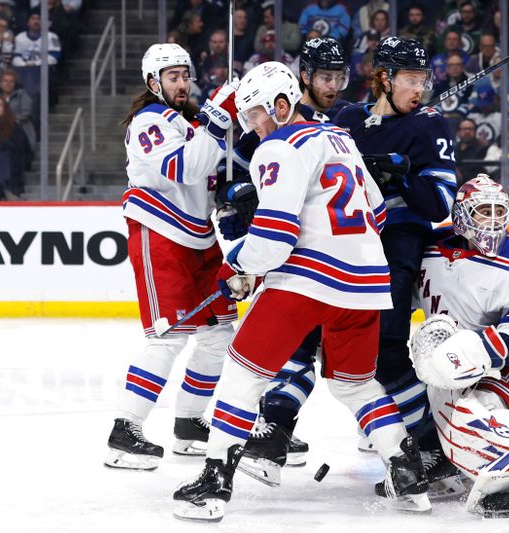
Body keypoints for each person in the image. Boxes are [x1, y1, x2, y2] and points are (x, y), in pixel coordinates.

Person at [172, 61, 431, 521]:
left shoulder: (278, 146)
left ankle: (214, 481)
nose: (251, 124)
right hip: (368, 282)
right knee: (354, 385)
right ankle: (406, 471)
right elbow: (376, 210)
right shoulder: (340, 139)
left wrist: (237, 260)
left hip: (308, 279)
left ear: (281, 104)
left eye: (254, 114)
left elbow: (273, 238)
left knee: (242, 373)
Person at [103, 43, 242, 471]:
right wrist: (218, 120)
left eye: (185, 75)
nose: (182, 84)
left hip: (200, 239)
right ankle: (124, 431)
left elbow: (215, 173)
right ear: (153, 82)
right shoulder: (149, 120)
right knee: (167, 337)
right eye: (173, 77)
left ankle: (188, 424)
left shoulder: (191, 121)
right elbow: (185, 168)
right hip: (159, 233)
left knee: (220, 333)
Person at [334, 37, 461, 499]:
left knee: (386, 350)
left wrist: (401, 175)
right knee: (338, 351)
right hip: (343, 246)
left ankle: (428, 449)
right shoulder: (349, 118)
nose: (420, 88)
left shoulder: (429, 126)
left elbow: (439, 204)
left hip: (397, 243)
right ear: (384, 78)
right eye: (410, 79)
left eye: (424, 79)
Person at [410, 174, 509, 518]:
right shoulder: (429, 248)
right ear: (462, 216)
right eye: (484, 211)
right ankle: (452, 462)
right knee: (440, 408)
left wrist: (470, 351)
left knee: (477, 409)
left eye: (500, 212)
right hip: (479, 359)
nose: (494, 221)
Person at [229, 37, 354, 474]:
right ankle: (277, 428)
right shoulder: (283, 122)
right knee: (299, 351)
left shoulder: (349, 119)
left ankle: (275, 432)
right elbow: (251, 157)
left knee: (321, 357)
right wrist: (244, 194)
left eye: (339, 76)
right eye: (325, 77)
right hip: (301, 252)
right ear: (304, 78)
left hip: (332, 255)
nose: (334, 85)